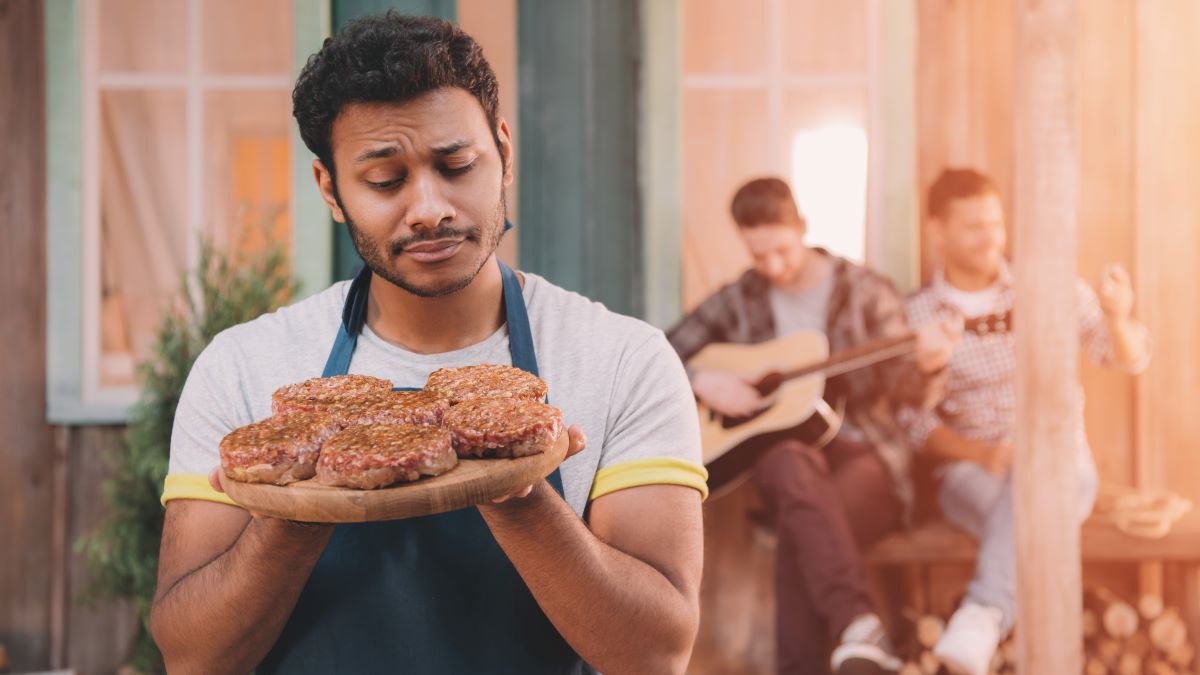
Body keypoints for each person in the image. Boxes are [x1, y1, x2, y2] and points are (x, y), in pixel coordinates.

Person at [149, 13, 708, 675]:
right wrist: (294, 503)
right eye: (385, 181)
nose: (429, 208)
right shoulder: (243, 367)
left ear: (503, 151)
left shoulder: (624, 361)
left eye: (456, 165)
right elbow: (192, 657)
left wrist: (516, 489)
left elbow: (655, 654)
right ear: (331, 189)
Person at [667, 177, 961, 675]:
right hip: (789, 467)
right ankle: (859, 627)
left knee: (802, 534)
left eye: (782, 250)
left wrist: (931, 364)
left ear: (802, 226)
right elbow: (659, 351)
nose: (772, 267)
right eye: (759, 255)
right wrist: (701, 380)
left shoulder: (865, 291)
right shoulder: (742, 297)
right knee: (786, 462)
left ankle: (853, 629)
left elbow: (908, 390)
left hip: (868, 456)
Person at [900, 168, 1152, 675]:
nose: (991, 237)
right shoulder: (917, 313)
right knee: (1037, 515)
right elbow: (911, 423)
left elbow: (1125, 358)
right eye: (974, 226)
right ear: (937, 231)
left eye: (996, 223)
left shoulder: (1048, 287)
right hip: (972, 471)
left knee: (1046, 489)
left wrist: (1118, 316)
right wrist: (982, 454)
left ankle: (982, 614)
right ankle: (1002, 630)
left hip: (1061, 462)